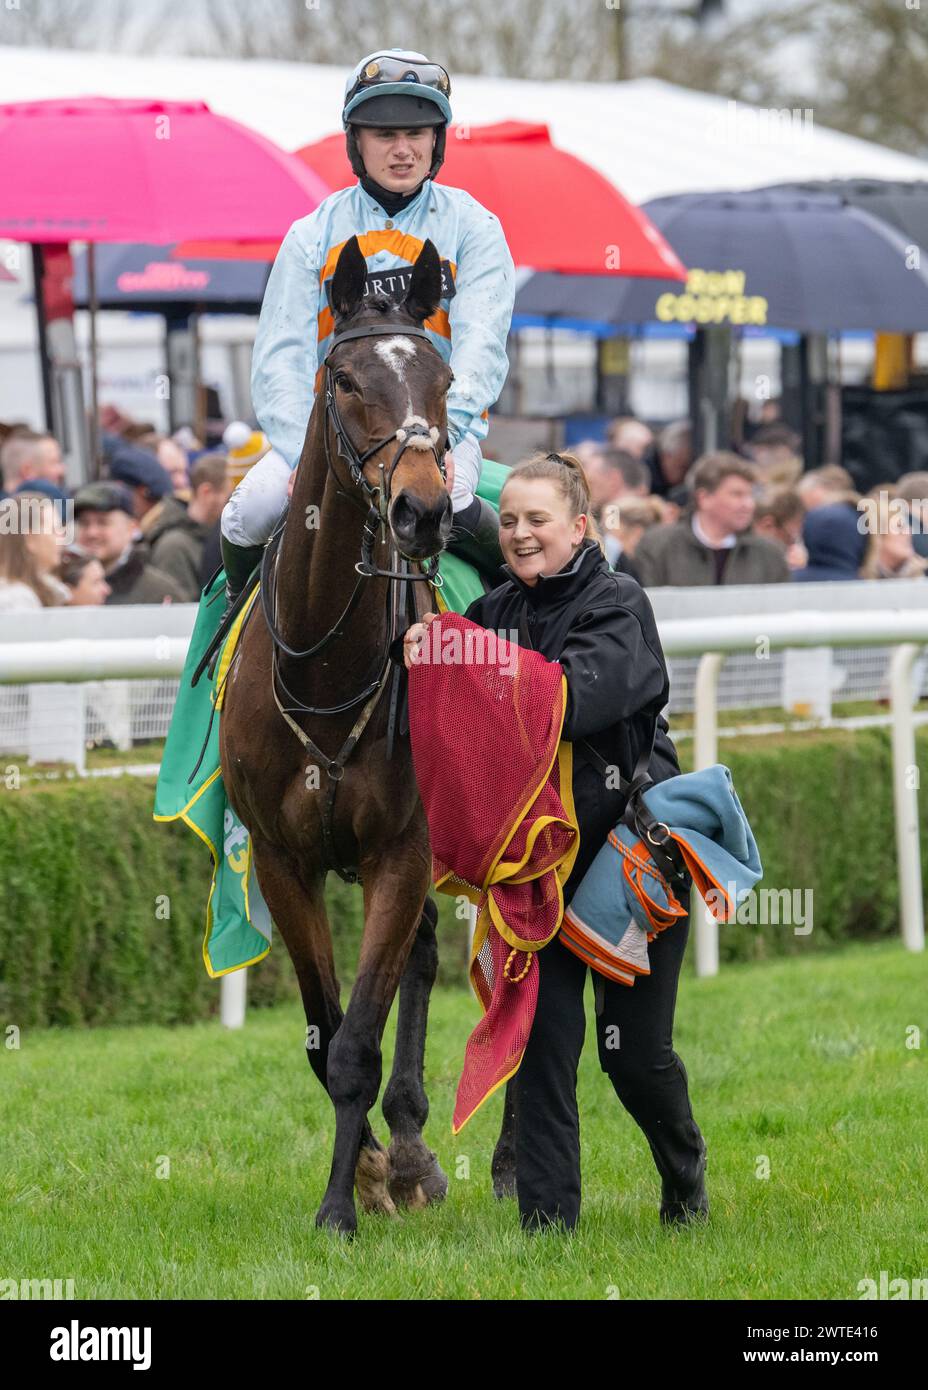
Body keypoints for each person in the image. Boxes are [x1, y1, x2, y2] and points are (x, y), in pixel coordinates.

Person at [401, 451, 707, 1233]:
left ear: (579, 527)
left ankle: (685, 1185)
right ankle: (548, 1231)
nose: (520, 534)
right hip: (535, 871)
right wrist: (426, 651)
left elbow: (566, 702)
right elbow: (442, 695)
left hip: (627, 862)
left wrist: (459, 656)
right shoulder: (498, 608)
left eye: (538, 520)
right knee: (542, 1044)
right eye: (508, 522)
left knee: (631, 1058)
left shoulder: (621, 603)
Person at [219, 47, 516, 609]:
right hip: (327, 431)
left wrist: (444, 439)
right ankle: (231, 631)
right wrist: (297, 451)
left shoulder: (475, 227)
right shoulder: (310, 235)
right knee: (253, 509)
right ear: (357, 141)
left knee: (452, 498)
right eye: (384, 134)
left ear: (437, 141)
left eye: (417, 133)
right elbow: (278, 357)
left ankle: (525, 627)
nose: (402, 150)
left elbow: (483, 345)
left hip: (435, 431)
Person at [633, 452, 790, 587]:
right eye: (737, 494)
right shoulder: (657, 546)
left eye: (750, 495)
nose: (748, 504)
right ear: (704, 498)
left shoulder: (770, 553)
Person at [73, 481, 185, 605]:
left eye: (103, 522)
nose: (91, 533)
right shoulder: (63, 588)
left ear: (132, 528)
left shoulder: (159, 593)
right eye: (84, 523)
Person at [143, 453, 232, 601]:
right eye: (230, 495)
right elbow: (178, 610)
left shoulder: (210, 536)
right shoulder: (173, 546)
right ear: (207, 492)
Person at [0, 494, 71, 610]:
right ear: (30, 539)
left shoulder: (46, 591)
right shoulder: (16, 601)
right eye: (54, 529)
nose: (63, 537)